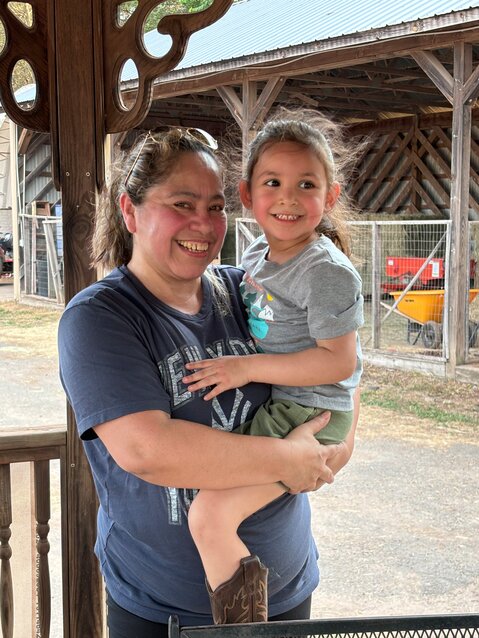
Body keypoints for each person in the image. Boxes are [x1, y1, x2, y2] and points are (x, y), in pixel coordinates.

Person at [58, 127, 358, 638]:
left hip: (287, 593)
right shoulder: (101, 317)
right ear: (130, 212)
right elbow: (147, 449)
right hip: (162, 612)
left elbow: (341, 374)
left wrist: (334, 449)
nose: (204, 222)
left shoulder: (247, 291)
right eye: (182, 202)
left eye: (216, 206)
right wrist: (291, 460)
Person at [182, 110, 363, 624]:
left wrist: (245, 369)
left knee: (210, 516)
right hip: (291, 402)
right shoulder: (260, 253)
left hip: (308, 410)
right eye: (273, 182)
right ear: (247, 194)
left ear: (329, 198)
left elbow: (339, 361)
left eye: (306, 184)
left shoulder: (325, 272)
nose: (287, 197)